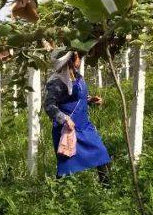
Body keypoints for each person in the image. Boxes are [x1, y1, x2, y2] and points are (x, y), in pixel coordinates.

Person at [43, 49, 112, 182]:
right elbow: (49, 105)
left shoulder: (76, 76)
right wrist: (64, 118)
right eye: (78, 58)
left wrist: (90, 100)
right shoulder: (57, 82)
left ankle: (107, 189)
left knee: (101, 153)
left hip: (84, 126)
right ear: (70, 60)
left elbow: (75, 98)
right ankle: (60, 196)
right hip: (68, 129)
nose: (80, 60)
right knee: (66, 165)